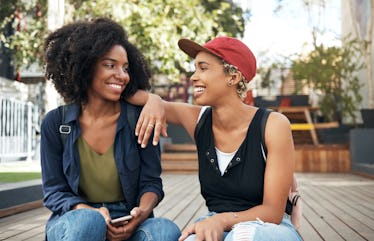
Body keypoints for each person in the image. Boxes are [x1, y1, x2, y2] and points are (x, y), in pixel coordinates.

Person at [130, 36, 303, 241]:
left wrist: (221, 221)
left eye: (203, 68)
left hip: (268, 227)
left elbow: (273, 212)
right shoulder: (198, 119)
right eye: (195, 68)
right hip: (217, 223)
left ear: (233, 77)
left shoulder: (273, 124)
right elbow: (128, 93)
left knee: (242, 238)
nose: (194, 76)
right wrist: (154, 99)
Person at [40, 18, 180, 241]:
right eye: (110, 65)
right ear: (85, 66)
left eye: (125, 68)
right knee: (89, 221)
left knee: (164, 230)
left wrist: (141, 213)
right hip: (76, 218)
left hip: (128, 218)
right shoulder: (56, 124)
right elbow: (54, 192)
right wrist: (87, 210)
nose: (122, 75)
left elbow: (151, 182)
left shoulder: (140, 119)